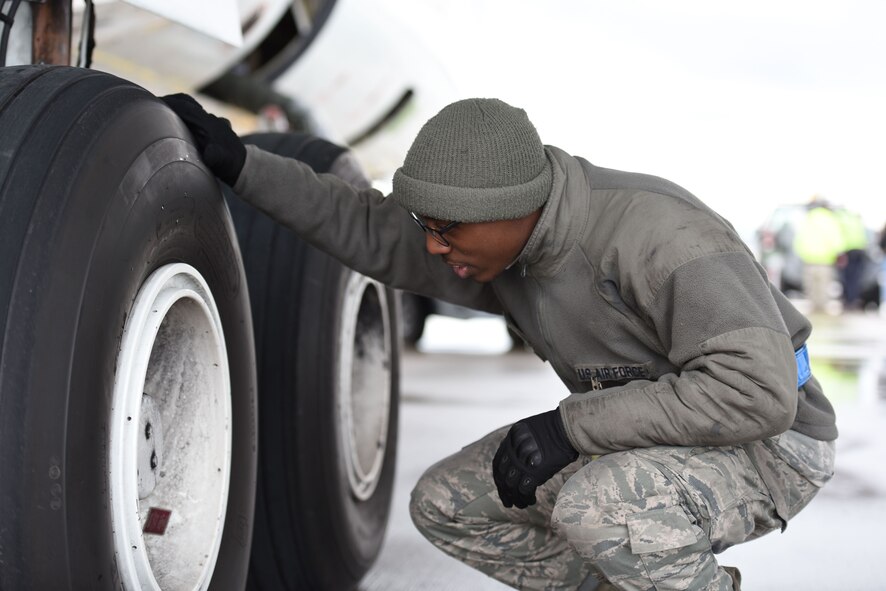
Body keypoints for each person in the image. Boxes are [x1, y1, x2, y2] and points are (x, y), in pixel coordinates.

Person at [163, 94, 837, 591]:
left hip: (772, 442)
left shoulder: (662, 238)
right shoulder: (492, 242)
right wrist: (243, 163)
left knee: (600, 505)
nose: (432, 246)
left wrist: (570, 427)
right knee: (446, 503)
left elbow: (759, 391)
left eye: (446, 228)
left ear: (515, 207)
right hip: (659, 425)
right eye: (429, 225)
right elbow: (364, 225)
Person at [792, 198, 844, 313]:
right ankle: (822, 308)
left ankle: (813, 307)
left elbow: (799, 238)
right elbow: (835, 238)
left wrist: (801, 252)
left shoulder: (808, 218)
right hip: (825, 259)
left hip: (809, 258)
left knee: (810, 286)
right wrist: (839, 252)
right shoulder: (829, 219)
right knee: (823, 285)